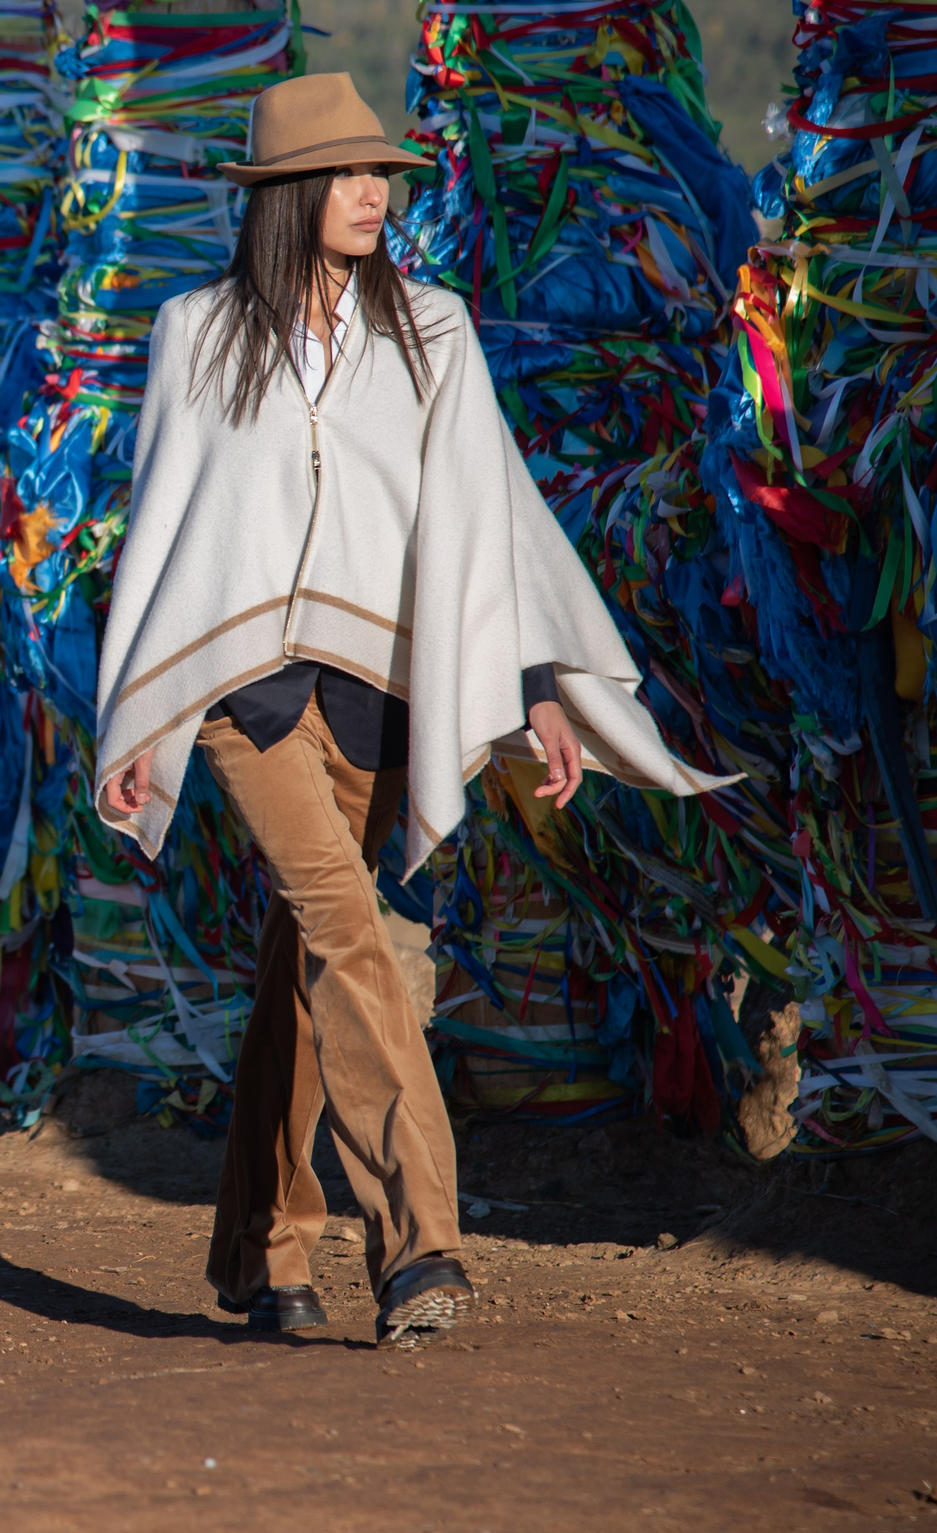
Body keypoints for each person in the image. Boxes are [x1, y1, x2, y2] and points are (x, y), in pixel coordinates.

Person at [90, 74, 736, 1348]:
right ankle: (419, 1244)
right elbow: (169, 534)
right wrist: (142, 720)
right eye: (342, 172)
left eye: (380, 170)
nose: (373, 190)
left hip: (379, 695)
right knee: (350, 931)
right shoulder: (195, 329)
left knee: (304, 961)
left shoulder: (431, 329)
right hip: (244, 697)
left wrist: (536, 686)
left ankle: (264, 1252)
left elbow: (490, 519)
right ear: (283, 193)